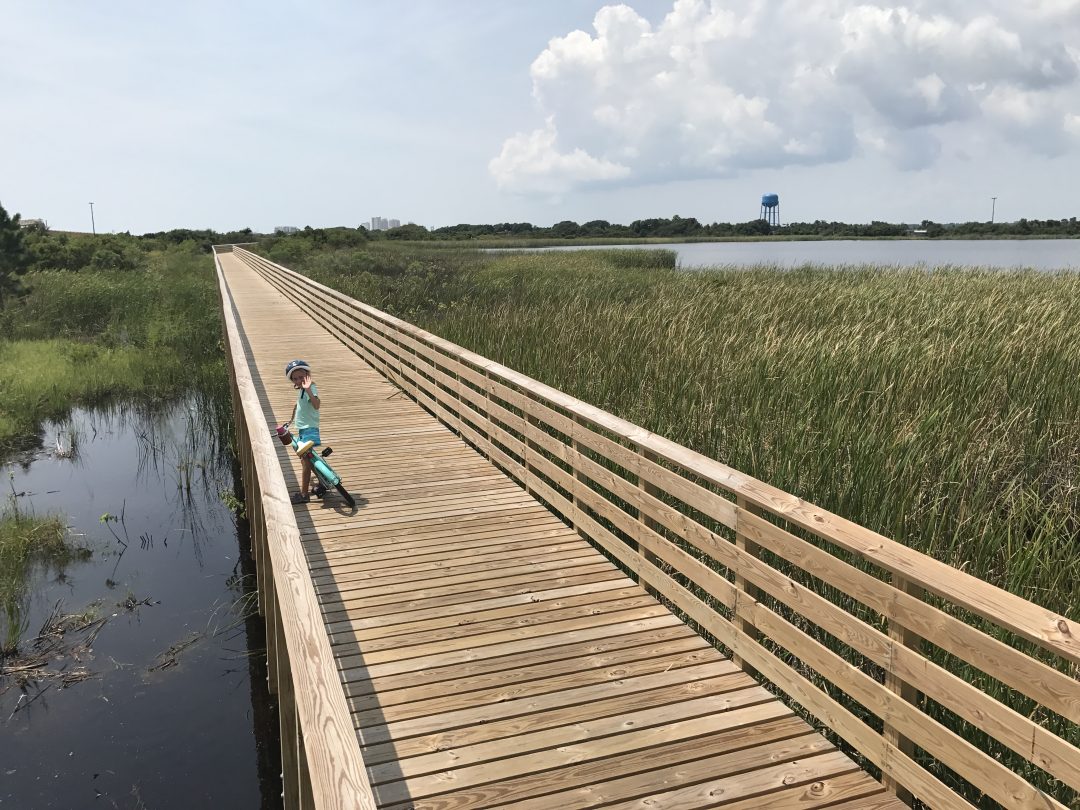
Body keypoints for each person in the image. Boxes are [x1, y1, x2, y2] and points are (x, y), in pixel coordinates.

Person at [284, 359, 321, 504]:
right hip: (302, 429)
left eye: (301, 377)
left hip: (309, 429)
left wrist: (308, 390)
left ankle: (304, 494)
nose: (299, 380)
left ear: (307, 375)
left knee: (305, 461)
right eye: (295, 378)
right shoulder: (302, 390)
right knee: (306, 459)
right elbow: (299, 406)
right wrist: (291, 421)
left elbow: (316, 405)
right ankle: (322, 480)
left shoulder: (311, 387)